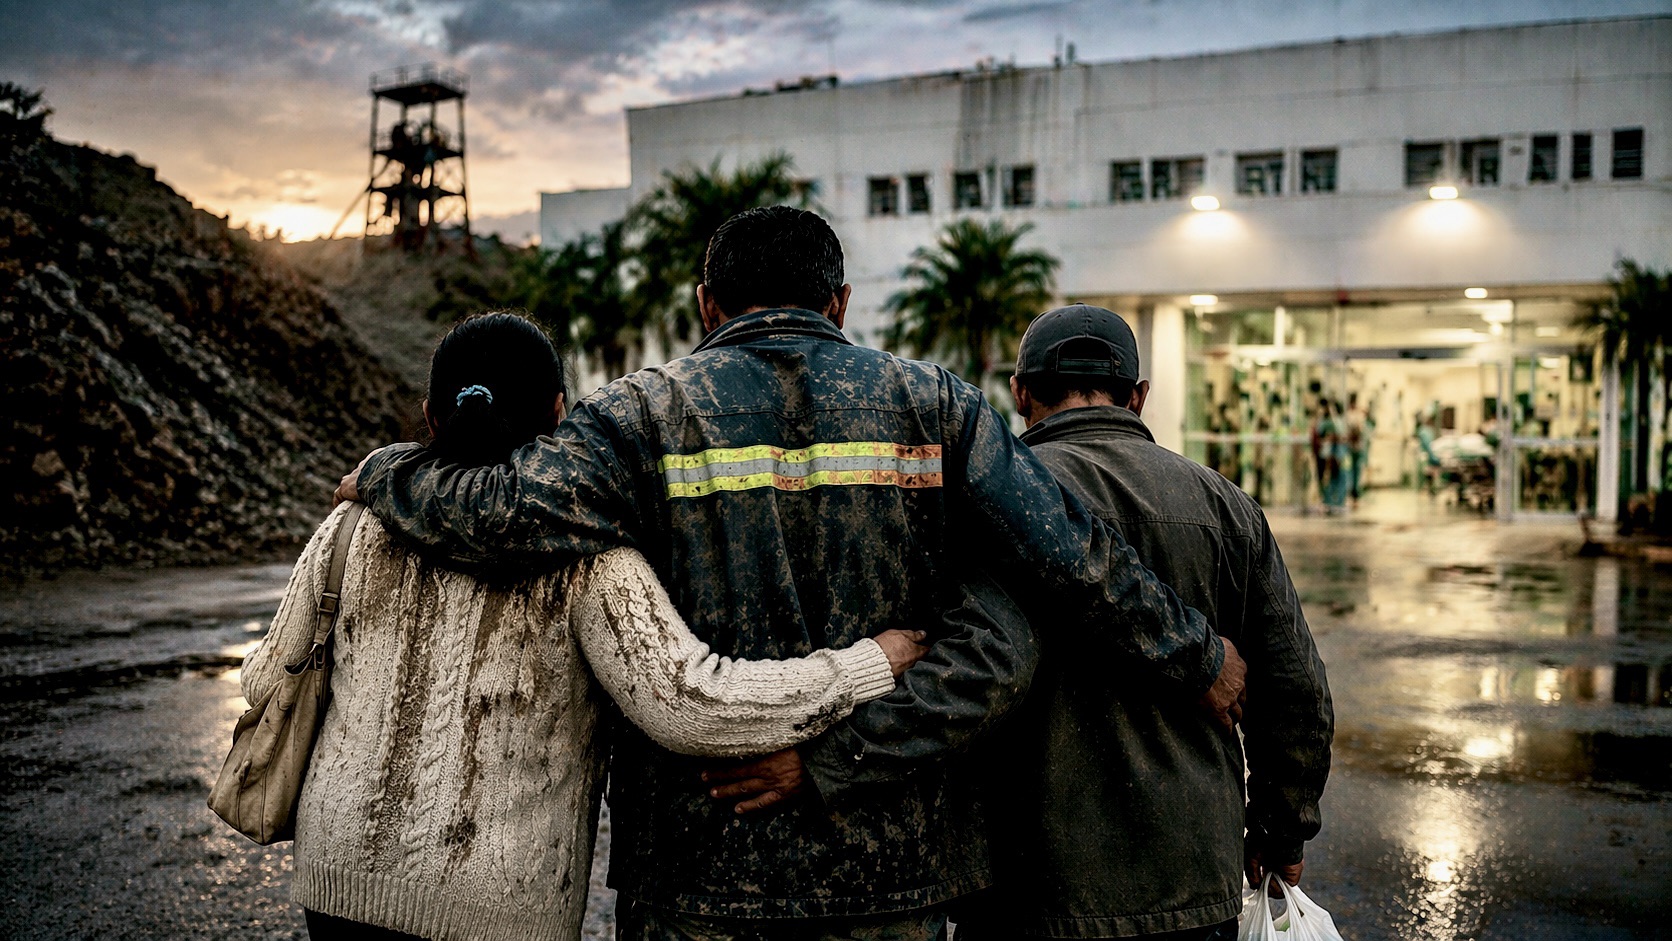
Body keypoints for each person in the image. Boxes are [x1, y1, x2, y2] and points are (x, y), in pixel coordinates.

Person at [335, 207, 1247, 940]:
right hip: (894, 877)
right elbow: (1071, 557)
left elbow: (495, 511)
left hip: (700, 879)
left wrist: (385, 471)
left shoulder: (640, 417)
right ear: (840, 302)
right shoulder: (933, 406)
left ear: (705, 305)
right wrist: (1196, 655)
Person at [244, 312, 933, 941]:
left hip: (338, 878)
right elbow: (692, 707)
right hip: (496, 903)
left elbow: (264, 677)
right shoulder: (589, 560)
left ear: (430, 414)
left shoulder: (351, 523)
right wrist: (869, 662)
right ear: (558, 415)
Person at [956, 305, 1333, 941]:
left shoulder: (984, 502)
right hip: (1189, 880)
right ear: (1139, 396)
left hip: (1024, 885)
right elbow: (1296, 689)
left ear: (1020, 392)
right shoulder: (1223, 504)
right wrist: (1281, 828)